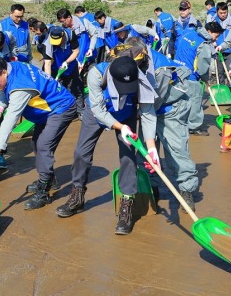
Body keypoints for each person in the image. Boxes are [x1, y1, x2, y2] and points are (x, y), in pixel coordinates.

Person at [54, 54, 158, 236]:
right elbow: (99, 111)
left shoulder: (142, 78)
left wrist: (151, 147)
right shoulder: (96, 74)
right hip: (97, 113)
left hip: (126, 113)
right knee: (81, 153)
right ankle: (77, 195)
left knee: (128, 156)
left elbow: (148, 113)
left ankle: (127, 203)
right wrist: (120, 127)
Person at [0, 57, 77, 210]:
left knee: (44, 146)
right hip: (46, 111)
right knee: (36, 143)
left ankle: (44, 191)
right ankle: (49, 179)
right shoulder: (11, 67)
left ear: (3, 72)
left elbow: (11, 118)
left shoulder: (20, 86)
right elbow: (4, 89)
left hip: (61, 107)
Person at [127, 36, 200, 210]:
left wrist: (139, 111)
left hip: (169, 109)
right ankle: (151, 188)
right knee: (145, 153)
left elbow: (152, 103)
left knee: (177, 152)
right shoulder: (131, 58)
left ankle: (186, 190)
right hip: (149, 108)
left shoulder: (160, 69)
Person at [173, 25, 212, 136]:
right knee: (195, 100)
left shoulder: (189, 34)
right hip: (190, 75)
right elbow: (203, 65)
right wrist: (205, 79)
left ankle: (179, 123)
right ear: (209, 31)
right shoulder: (203, 43)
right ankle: (194, 127)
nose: (215, 38)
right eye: (216, 35)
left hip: (177, 71)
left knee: (181, 100)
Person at [42, 26, 83, 118]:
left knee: (76, 88)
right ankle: (64, 112)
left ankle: (80, 111)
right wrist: (49, 81)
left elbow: (76, 51)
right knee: (60, 89)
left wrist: (67, 62)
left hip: (71, 65)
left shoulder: (71, 35)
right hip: (57, 67)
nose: (56, 44)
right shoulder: (47, 43)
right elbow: (47, 64)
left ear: (63, 36)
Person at [56, 8, 98, 73]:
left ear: (69, 17)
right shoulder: (64, 30)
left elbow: (94, 33)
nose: (62, 23)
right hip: (75, 61)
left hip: (88, 57)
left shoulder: (83, 22)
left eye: (63, 21)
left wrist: (91, 49)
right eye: (60, 22)